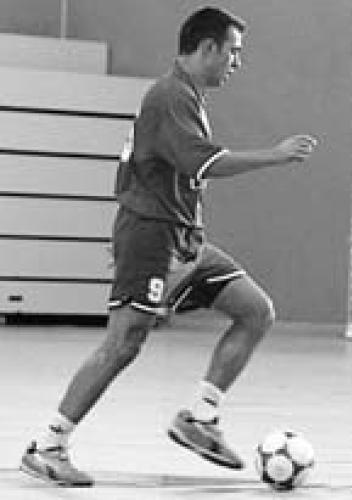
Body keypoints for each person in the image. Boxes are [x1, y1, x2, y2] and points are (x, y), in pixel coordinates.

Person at [20, 6, 318, 487]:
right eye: (233, 52)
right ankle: (49, 445)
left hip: (183, 239)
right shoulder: (169, 96)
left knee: (255, 311)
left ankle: (200, 417)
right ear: (208, 48)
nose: (237, 63)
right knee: (123, 345)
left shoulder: (186, 96)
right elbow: (205, 163)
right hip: (152, 238)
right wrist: (276, 155)